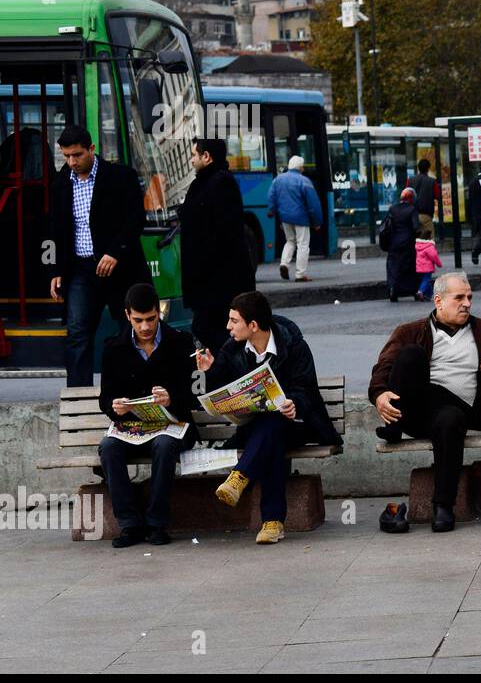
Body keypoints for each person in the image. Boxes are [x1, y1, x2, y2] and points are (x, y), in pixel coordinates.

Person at [195, 291, 341, 544]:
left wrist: (295, 404)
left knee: (274, 422)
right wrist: (209, 372)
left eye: (234, 321)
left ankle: (241, 477)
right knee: (270, 430)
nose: (228, 327)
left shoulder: (293, 344)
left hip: (297, 425)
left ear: (253, 325)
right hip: (256, 429)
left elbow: (306, 387)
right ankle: (272, 523)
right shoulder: (233, 348)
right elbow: (220, 388)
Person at [369, 272, 481, 533]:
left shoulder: (480, 328)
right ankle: (395, 426)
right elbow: (384, 366)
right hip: (417, 411)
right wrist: (380, 394)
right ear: (439, 301)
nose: (467, 303)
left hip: (458, 411)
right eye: (459, 298)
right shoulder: (410, 331)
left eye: (470, 297)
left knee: (450, 418)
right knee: (410, 355)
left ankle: (443, 507)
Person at [97, 283, 200, 548]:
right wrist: (115, 406)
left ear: (159, 312)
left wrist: (172, 398)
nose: (145, 327)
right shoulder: (114, 348)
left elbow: (195, 396)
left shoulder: (181, 342)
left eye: (151, 319)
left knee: (164, 445)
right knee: (108, 448)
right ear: (127, 315)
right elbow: (105, 398)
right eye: (138, 320)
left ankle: (156, 524)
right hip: (133, 426)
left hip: (173, 426)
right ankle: (130, 525)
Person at [48, 124, 152, 387]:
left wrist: (115, 253)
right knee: (77, 333)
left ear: (92, 149)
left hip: (121, 269)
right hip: (81, 270)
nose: (72, 161)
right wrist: (56, 271)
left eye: (77, 155)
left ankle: (134, 391)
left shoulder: (121, 176)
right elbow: (57, 229)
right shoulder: (61, 182)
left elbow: (136, 219)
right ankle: (78, 395)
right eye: (67, 156)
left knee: (131, 331)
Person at [179, 137, 256, 353]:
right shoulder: (203, 182)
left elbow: (223, 231)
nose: (191, 160)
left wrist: (202, 264)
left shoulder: (222, 182)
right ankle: (234, 365)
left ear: (207, 156)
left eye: (194, 155)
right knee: (212, 327)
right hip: (209, 279)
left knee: (207, 327)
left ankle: (236, 363)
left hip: (220, 280)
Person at [266, 154, 323, 283]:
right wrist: (317, 221)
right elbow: (314, 204)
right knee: (303, 245)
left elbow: (271, 196)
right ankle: (300, 274)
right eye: (302, 167)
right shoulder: (304, 181)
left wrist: (272, 210)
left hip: (285, 217)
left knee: (290, 241)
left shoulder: (278, 179)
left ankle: (284, 264)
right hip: (301, 218)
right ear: (300, 168)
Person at [382, 187, 421, 302]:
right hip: (408, 245)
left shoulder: (392, 209)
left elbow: (387, 225)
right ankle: (411, 290)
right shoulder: (412, 210)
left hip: (393, 244)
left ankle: (393, 289)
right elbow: (416, 228)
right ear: (412, 198)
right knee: (409, 268)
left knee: (393, 267)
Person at [409, 158, 438, 239]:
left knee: (416, 241)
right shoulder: (432, 181)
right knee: (429, 242)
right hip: (427, 216)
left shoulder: (410, 180)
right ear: (428, 169)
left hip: (413, 216)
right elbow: (437, 195)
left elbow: (406, 196)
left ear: (418, 168)